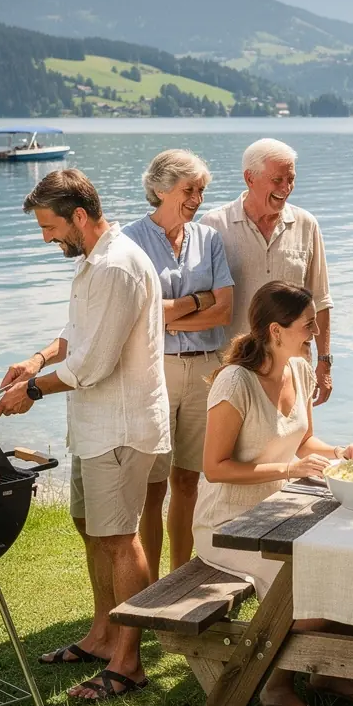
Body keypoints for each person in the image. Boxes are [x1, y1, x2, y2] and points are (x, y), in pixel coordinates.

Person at [0, 168, 169, 703]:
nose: (46, 238)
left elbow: (94, 363)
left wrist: (34, 391)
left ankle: (128, 664)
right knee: (88, 526)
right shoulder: (95, 263)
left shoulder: (117, 267)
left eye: (50, 228)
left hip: (121, 425)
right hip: (94, 426)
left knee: (120, 539)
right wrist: (37, 359)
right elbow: (77, 336)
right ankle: (101, 637)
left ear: (79, 216)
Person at [194, 281, 353, 706]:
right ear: (276, 330)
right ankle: (277, 682)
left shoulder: (300, 369)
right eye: (308, 324)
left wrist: (338, 452)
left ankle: (326, 674)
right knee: (311, 598)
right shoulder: (234, 383)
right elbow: (215, 468)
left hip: (279, 513)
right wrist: (291, 471)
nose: (316, 332)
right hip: (228, 524)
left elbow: (303, 438)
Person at [123, 150, 234, 582]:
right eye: (189, 189)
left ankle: (180, 576)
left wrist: (174, 310)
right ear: (160, 189)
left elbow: (224, 310)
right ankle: (149, 585)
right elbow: (145, 315)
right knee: (153, 487)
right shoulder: (131, 240)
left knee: (188, 480)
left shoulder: (208, 239)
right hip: (156, 369)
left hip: (206, 369)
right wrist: (197, 300)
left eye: (201, 190)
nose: (197, 198)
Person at [200, 138, 335, 405]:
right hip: (233, 367)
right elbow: (204, 298)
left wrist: (324, 363)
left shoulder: (307, 224)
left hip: (294, 368)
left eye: (291, 179)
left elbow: (320, 299)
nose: (286, 188)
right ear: (249, 178)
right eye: (277, 180)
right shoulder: (213, 225)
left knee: (295, 442)